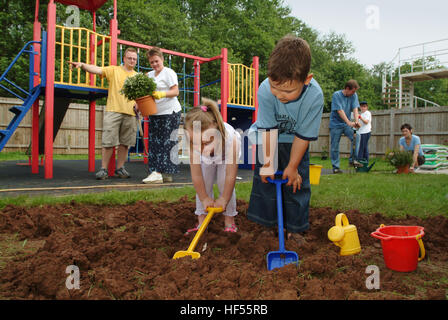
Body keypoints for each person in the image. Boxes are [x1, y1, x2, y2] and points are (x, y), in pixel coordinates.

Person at [247, 35, 324, 240]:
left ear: (306, 79)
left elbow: (303, 136)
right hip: (269, 139)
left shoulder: (315, 96)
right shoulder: (264, 90)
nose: (279, 95)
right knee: (265, 181)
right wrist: (268, 163)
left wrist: (292, 166)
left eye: (288, 90)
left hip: (296, 144)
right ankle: (266, 226)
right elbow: (268, 129)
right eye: (275, 87)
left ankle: (296, 229)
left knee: (296, 184)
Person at [69, 48, 138, 180]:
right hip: (113, 111)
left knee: (125, 143)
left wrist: (139, 104)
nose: (132, 61)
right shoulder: (114, 70)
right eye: (130, 58)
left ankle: (120, 168)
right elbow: (97, 69)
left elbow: (141, 95)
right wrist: (82, 65)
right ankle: (103, 169)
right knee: (108, 142)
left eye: (134, 59)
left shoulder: (137, 76)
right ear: (124, 59)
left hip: (130, 113)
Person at [183, 97, 241, 233]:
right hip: (207, 160)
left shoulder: (231, 141)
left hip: (225, 156)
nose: (202, 148)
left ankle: (229, 220)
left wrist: (224, 199)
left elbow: (230, 175)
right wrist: (204, 198)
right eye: (196, 143)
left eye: (206, 142)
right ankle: (202, 222)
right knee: (205, 181)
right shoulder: (194, 145)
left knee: (223, 182)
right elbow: (197, 176)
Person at [142, 47, 182, 184]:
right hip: (155, 112)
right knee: (155, 142)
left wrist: (162, 94)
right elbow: (145, 93)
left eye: (156, 61)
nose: (154, 64)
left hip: (170, 112)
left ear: (162, 60)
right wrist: (138, 105)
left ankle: (161, 173)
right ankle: (157, 172)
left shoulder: (168, 73)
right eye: (152, 62)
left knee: (167, 142)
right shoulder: (149, 76)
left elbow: (176, 91)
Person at [329, 79, 362, 173]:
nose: (354, 93)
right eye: (353, 91)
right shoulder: (337, 95)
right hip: (335, 124)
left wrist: (356, 121)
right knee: (335, 146)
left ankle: (352, 160)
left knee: (357, 137)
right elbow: (340, 111)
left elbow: (355, 109)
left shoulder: (354, 95)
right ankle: (336, 167)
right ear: (347, 88)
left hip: (346, 124)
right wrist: (348, 122)